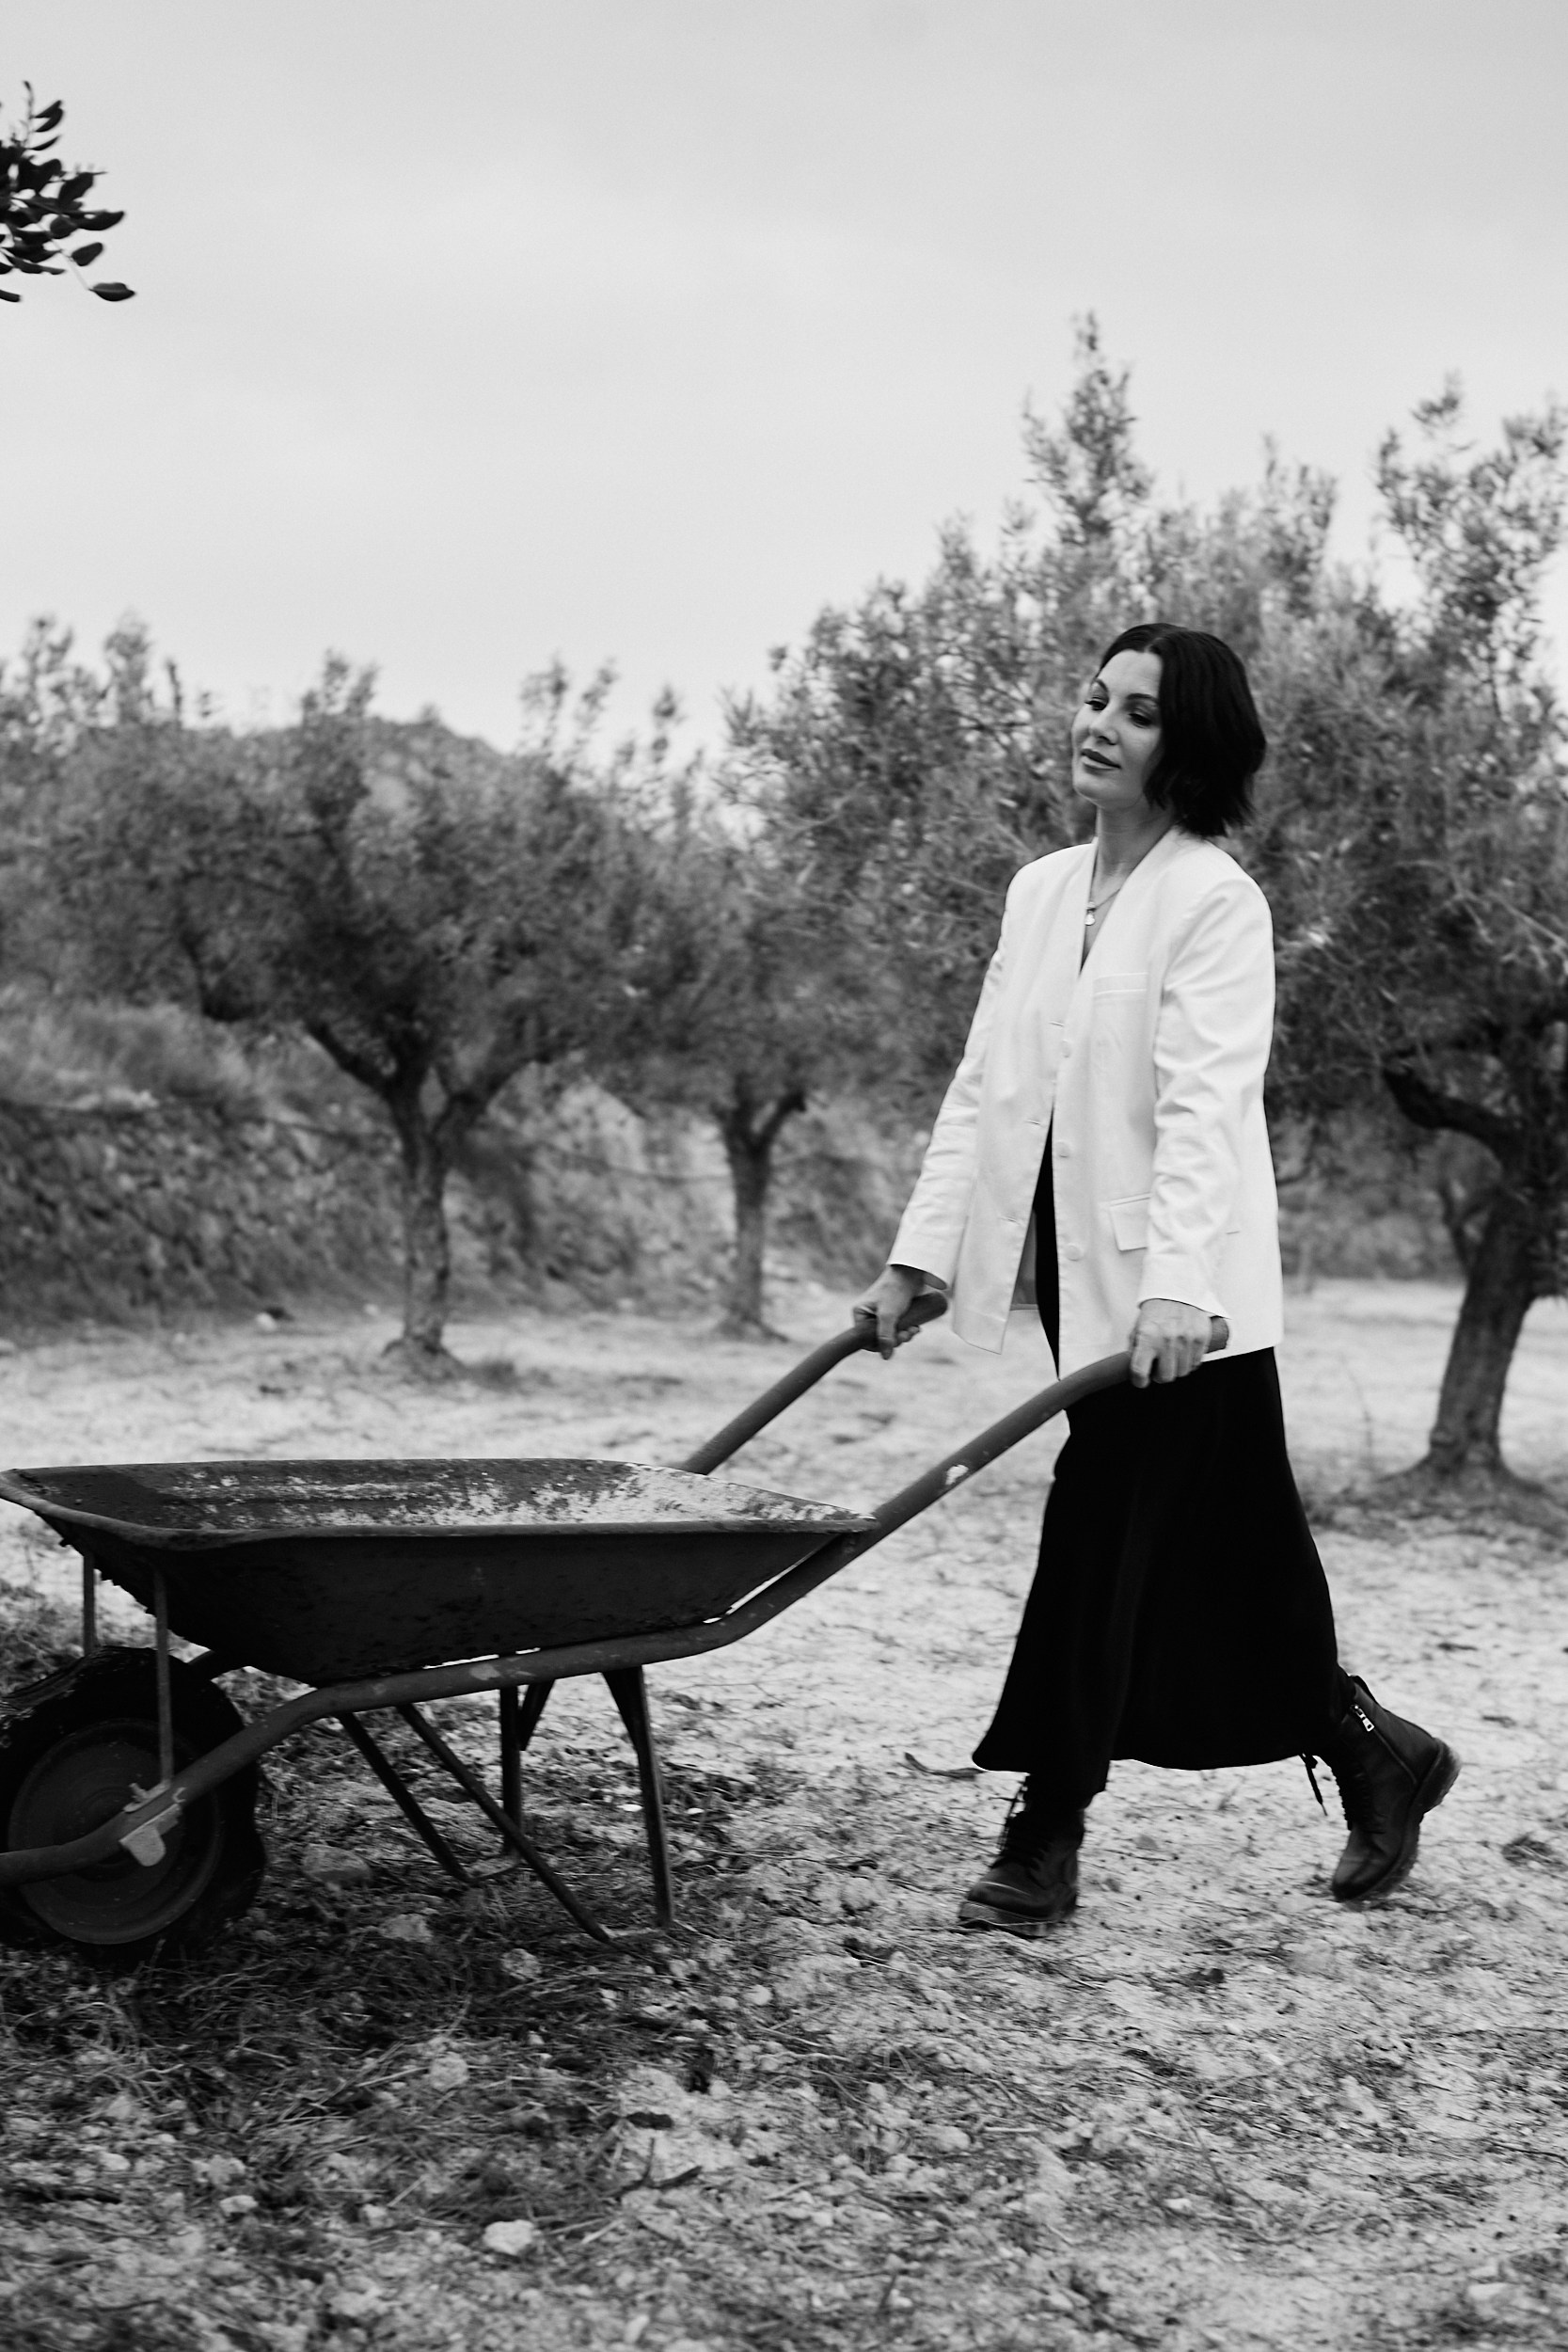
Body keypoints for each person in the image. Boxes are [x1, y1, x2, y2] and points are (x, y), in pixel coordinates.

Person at [854, 622, 1457, 1939]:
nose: (1100, 725)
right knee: (1231, 1555)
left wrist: (1180, 1286)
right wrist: (921, 1255)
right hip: (1087, 1281)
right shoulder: (1038, 891)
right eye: (1095, 698)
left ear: (1188, 747)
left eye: (1138, 712)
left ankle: (1046, 1827)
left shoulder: (1213, 900)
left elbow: (1205, 1109)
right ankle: (1377, 1752)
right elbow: (984, 1089)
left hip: (1189, 1304)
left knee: (1101, 1529)